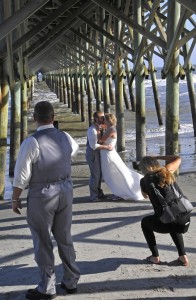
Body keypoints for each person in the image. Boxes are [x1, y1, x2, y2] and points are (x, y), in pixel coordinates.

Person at [12, 101, 80, 300]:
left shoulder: (32, 142)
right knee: (64, 237)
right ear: (53, 117)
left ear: (35, 118)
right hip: (65, 191)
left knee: (42, 240)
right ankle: (71, 280)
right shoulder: (66, 137)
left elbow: (21, 176)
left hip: (42, 195)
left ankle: (47, 286)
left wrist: (15, 199)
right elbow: (72, 152)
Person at [139, 155, 190, 266]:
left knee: (145, 222)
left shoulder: (144, 181)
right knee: (172, 216)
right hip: (185, 219)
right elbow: (177, 158)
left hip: (168, 223)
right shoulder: (166, 171)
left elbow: (144, 196)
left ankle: (155, 257)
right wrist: (158, 156)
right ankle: (183, 256)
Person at [98, 113, 144, 201]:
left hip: (108, 154)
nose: (102, 121)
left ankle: (120, 192)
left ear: (107, 121)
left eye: (104, 119)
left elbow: (100, 141)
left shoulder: (110, 130)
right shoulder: (110, 128)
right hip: (108, 153)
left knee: (113, 174)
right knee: (114, 173)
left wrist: (98, 131)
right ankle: (118, 191)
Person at [86, 111, 113, 202]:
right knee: (95, 175)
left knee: (99, 174)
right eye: (102, 118)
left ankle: (99, 193)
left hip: (98, 153)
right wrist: (107, 147)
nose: (104, 119)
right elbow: (93, 146)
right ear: (96, 119)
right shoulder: (92, 130)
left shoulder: (98, 127)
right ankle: (94, 196)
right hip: (93, 153)